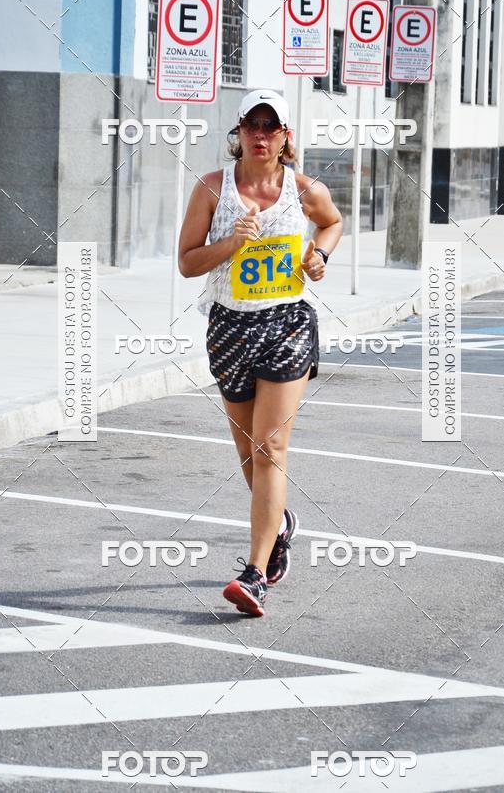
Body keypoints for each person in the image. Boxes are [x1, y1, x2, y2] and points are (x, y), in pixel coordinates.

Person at [178, 89, 343, 617]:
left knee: (271, 447)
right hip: (229, 327)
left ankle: (255, 575)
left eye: (271, 127)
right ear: (239, 132)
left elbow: (332, 222)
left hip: (287, 324)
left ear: (286, 137)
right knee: (249, 452)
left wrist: (319, 256)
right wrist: (232, 242)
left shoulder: (305, 189)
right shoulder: (212, 188)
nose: (261, 134)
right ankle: (281, 524)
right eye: (252, 124)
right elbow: (187, 262)